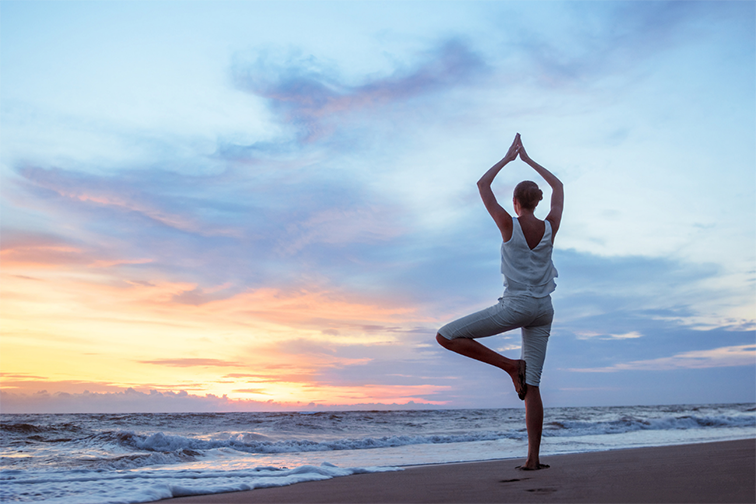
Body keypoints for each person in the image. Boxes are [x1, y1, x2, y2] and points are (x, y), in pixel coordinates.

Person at [435, 133, 563, 471]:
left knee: (446, 335)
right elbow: (560, 186)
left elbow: (482, 184)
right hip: (544, 310)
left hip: (518, 305)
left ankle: (509, 366)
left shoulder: (509, 224)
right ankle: (533, 461)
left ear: (516, 202)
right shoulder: (551, 226)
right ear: (537, 201)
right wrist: (530, 160)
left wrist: (509, 158)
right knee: (532, 384)